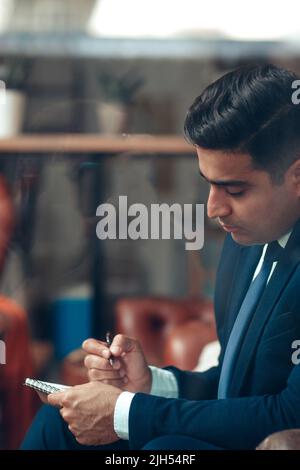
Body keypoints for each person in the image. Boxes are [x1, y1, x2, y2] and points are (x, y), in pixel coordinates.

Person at [21, 63, 300, 450]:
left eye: (234, 190)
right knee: (59, 422)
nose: (213, 209)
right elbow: (235, 388)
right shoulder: (248, 243)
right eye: (209, 185)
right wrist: (150, 385)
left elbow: (288, 415)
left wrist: (124, 413)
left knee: (163, 451)